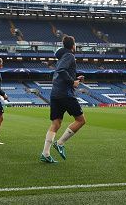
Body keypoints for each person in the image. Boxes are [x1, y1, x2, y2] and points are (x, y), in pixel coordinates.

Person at [40, 35, 86, 163]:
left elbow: (61, 71)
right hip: (65, 94)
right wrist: (72, 82)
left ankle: (45, 153)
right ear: (73, 45)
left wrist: (76, 78)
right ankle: (60, 143)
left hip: (55, 93)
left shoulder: (61, 56)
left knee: (56, 123)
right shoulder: (70, 55)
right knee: (81, 120)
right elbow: (61, 70)